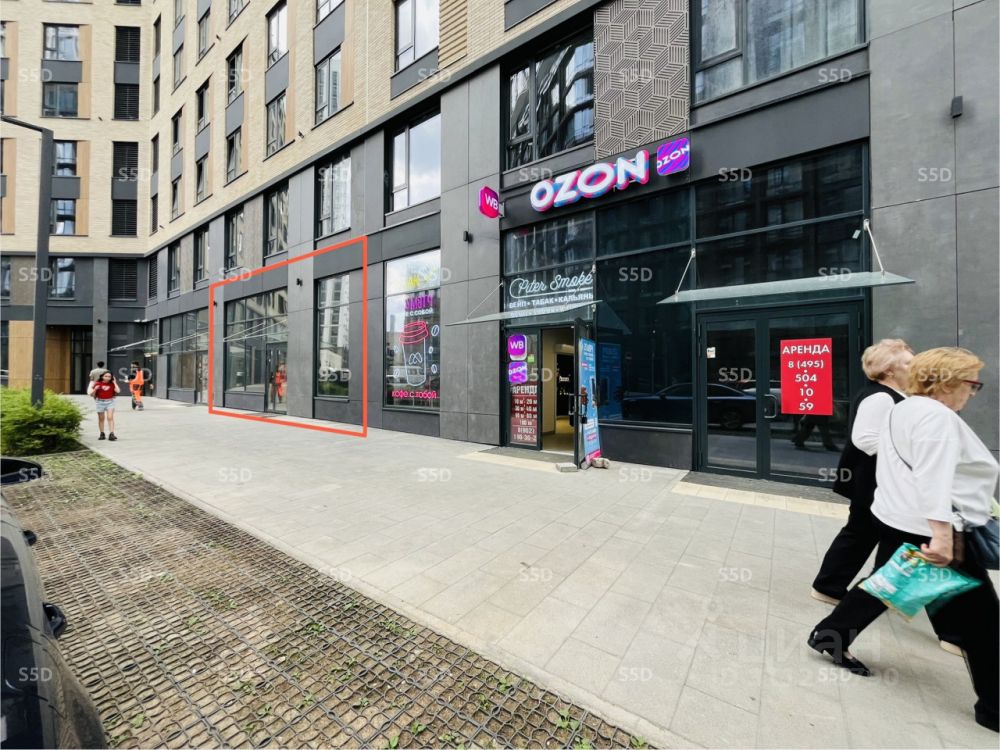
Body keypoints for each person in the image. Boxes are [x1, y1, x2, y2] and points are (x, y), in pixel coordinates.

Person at [808, 347, 998, 732]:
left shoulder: (905, 408)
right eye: (971, 384)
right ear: (947, 382)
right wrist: (941, 534)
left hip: (903, 517)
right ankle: (994, 708)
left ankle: (831, 635)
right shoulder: (934, 417)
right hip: (936, 528)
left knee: (887, 583)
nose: (972, 391)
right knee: (985, 624)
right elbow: (932, 476)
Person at [811, 339, 913, 603]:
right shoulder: (880, 397)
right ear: (889, 369)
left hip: (878, 479)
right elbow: (864, 438)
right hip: (872, 479)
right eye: (908, 363)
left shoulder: (892, 395)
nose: (914, 368)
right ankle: (831, 588)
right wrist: (907, 454)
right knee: (860, 532)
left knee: (864, 533)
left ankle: (833, 587)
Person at [86, 370, 120, 441]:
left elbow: (118, 391)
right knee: (101, 419)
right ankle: (102, 433)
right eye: (106, 376)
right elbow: (92, 395)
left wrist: (114, 382)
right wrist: (95, 389)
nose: (107, 378)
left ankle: (111, 434)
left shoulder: (112, 384)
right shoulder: (98, 383)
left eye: (109, 377)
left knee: (110, 417)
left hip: (110, 402)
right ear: (102, 377)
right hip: (100, 402)